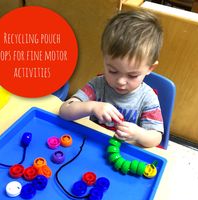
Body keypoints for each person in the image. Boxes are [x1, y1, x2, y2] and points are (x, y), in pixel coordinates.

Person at [59, 9, 164, 148]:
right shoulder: (98, 85)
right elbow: (65, 110)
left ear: (150, 68)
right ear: (104, 59)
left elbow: (156, 138)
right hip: (94, 144)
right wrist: (92, 106)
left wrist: (139, 134)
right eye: (112, 71)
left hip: (124, 153)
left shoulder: (148, 98)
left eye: (132, 75)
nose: (120, 81)